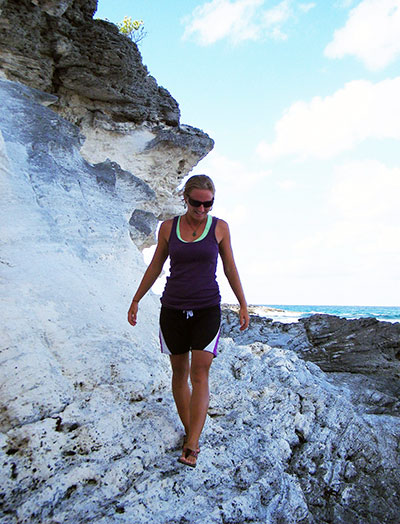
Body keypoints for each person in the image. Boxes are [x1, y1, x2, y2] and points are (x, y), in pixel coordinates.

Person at [127, 174, 249, 467]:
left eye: (209, 204)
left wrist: (243, 303)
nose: (203, 209)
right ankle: (189, 432)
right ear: (185, 199)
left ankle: (192, 444)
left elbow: (230, 267)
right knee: (179, 374)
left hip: (207, 308)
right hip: (172, 308)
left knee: (200, 374)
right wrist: (136, 299)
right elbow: (156, 265)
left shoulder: (220, 228)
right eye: (197, 203)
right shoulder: (168, 228)